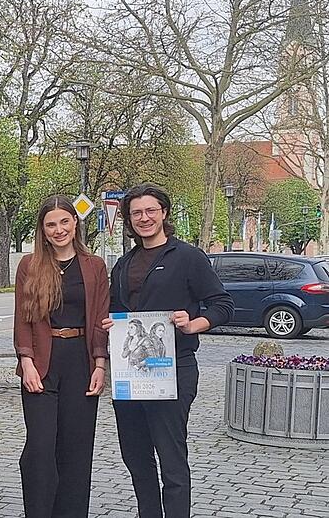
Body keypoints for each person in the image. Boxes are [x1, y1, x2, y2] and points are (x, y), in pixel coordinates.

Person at [105, 183, 234, 518]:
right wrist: (111, 325)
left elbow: (222, 305)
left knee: (171, 456)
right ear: (128, 220)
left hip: (173, 370)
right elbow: (117, 310)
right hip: (130, 376)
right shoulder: (123, 264)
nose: (144, 218)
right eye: (136, 213)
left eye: (151, 210)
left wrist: (193, 323)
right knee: (135, 456)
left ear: (164, 212)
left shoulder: (188, 257)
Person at [13, 196, 110, 518]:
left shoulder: (94, 266)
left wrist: (100, 363)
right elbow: (22, 318)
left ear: (75, 223)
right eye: (51, 224)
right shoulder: (30, 265)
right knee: (40, 451)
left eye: (64, 222)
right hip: (42, 362)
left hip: (79, 362)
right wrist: (26, 361)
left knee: (76, 451)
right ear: (43, 230)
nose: (58, 230)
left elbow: (99, 319)